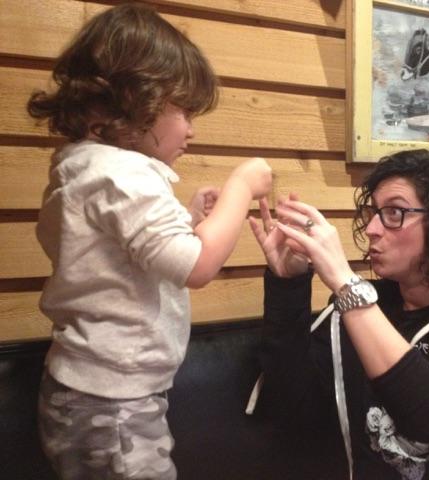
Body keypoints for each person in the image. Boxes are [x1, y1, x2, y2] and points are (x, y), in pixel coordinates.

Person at [27, 4, 272, 479]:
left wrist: (188, 219)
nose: (192, 129)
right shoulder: (123, 174)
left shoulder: (83, 169)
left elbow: (117, 259)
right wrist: (240, 188)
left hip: (85, 391)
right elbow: (197, 266)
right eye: (184, 110)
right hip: (113, 401)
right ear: (132, 99)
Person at [250, 149, 429, 479]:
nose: (372, 228)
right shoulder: (356, 310)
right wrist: (288, 285)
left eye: (394, 212)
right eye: (374, 212)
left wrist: (347, 285)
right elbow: (294, 409)